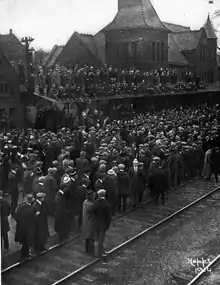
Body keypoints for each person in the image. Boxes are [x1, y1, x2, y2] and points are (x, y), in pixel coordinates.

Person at [15, 194, 36, 258]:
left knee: (24, 242)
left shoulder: (20, 207)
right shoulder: (31, 209)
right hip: (28, 229)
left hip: (21, 228)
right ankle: (25, 255)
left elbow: (16, 217)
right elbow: (33, 220)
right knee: (27, 243)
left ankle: (25, 254)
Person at [92, 189, 112, 257]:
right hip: (103, 225)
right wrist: (107, 225)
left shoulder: (95, 203)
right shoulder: (106, 204)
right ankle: (100, 253)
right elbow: (109, 217)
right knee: (101, 239)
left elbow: (93, 212)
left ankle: (96, 252)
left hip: (96, 223)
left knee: (97, 238)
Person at [81, 189, 96, 254]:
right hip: (90, 222)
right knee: (91, 237)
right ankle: (91, 250)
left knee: (87, 237)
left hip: (85, 221)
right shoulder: (91, 205)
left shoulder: (85, 202)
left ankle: (87, 250)